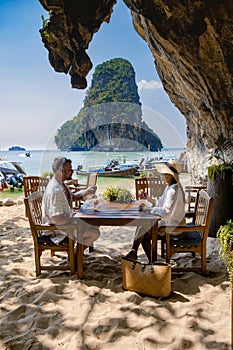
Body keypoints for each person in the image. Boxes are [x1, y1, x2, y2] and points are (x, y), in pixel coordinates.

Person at [125, 159, 185, 263]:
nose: (162, 176)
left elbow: (166, 213)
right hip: (172, 222)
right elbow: (159, 203)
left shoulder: (173, 190)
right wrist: (148, 198)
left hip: (174, 226)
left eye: (164, 174)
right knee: (142, 225)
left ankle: (149, 261)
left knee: (143, 232)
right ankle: (134, 253)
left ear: (170, 175)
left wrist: (149, 209)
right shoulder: (170, 187)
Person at [42, 157, 100, 248]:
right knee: (95, 232)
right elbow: (57, 219)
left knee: (95, 223)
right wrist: (78, 220)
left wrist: (87, 191)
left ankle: (78, 254)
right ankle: (76, 256)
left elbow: (72, 197)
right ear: (61, 170)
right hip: (58, 230)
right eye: (69, 169)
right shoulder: (55, 191)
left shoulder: (60, 184)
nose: (72, 171)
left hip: (65, 223)